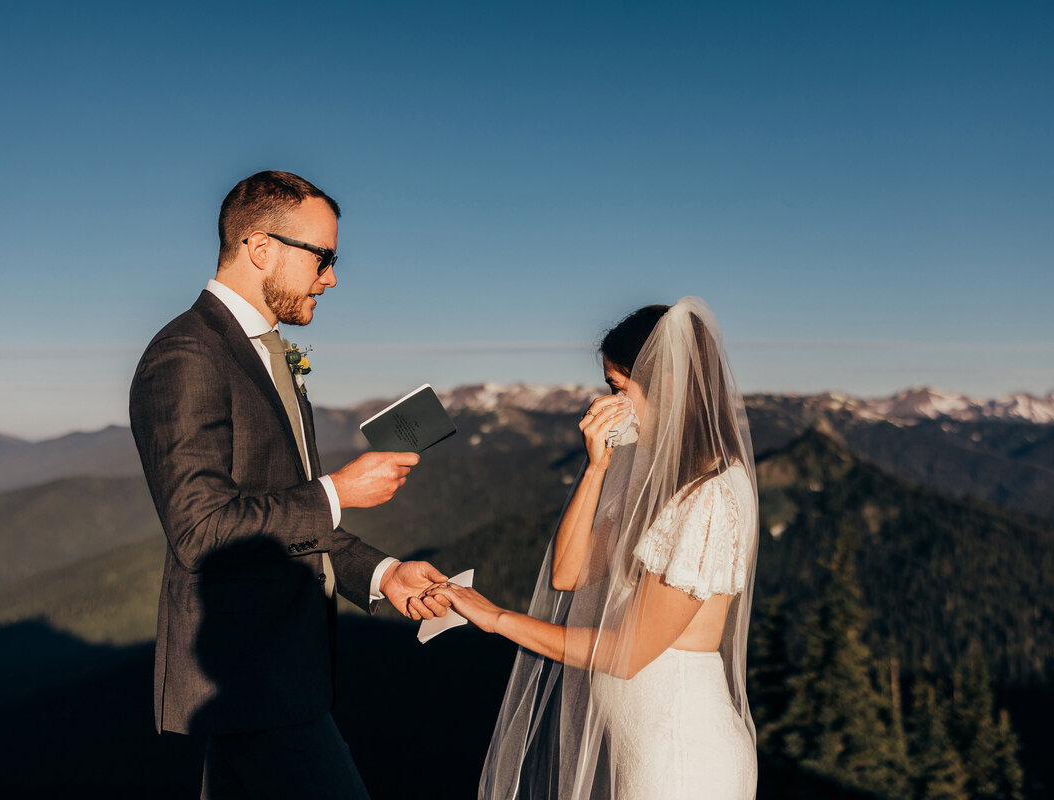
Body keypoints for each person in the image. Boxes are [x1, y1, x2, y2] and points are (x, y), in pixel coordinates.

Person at [129, 170, 450, 799]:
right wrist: (337, 490)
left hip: (281, 677)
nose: (332, 277)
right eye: (324, 257)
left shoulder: (267, 353)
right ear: (260, 248)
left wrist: (382, 574)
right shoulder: (187, 353)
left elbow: (279, 511)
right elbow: (199, 529)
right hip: (249, 677)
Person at [430, 298, 759, 800]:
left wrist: (497, 619)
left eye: (618, 389)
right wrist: (596, 468)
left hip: (682, 760)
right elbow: (569, 572)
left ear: (667, 385)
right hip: (645, 751)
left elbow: (627, 655)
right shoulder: (661, 481)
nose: (607, 405)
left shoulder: (710, 496)